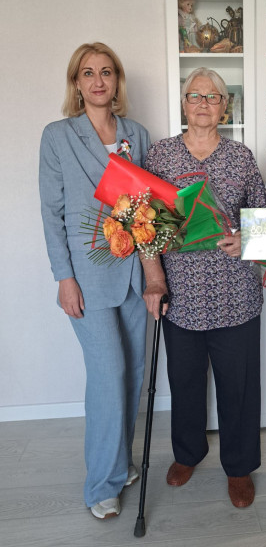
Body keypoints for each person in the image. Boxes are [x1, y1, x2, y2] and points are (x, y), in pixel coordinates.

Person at [141, 67, 266, 508]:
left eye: (213, 97)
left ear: (224, 107)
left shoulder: (241, 157)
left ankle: (239, 467)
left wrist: (246, 238)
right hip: (181, 297)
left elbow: (262, 217)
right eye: (195, 95)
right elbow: (143, 224)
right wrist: (154, 280)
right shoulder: (160, 156)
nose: (203, 103)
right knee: (185, 383)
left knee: (239, 387)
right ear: (183, 104)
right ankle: (188, 454)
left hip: (236, 296)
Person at [39, 42, 150, 520]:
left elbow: (146, 208)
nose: (98, 80)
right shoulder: (58, 136)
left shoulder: (137, 134)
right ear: (76, 83)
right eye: (88, 73)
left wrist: (153, 275)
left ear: (117, 80)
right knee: (108, 377)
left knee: (134, 374)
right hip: (87, 278)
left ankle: (120, 463)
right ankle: (102, 484)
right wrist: (64, 278)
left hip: (134, 275)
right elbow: (52, 213)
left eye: (107, 72)